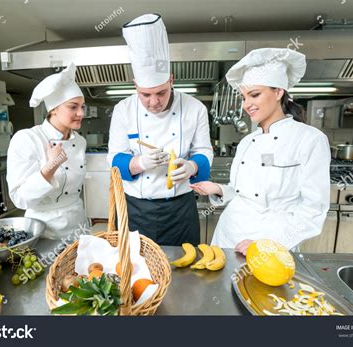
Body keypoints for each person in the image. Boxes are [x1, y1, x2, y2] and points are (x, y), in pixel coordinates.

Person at [191, 48, 330, 254]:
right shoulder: (248, 141)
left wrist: (268, 244)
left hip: (271, 243)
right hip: (228, 236)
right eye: (244, 97)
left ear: (278, 92)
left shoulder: (310, 139)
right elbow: (242, 192)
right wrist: (219, 190)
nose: (247, 104)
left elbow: (314, 209)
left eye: (254, 95)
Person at [107, 14, 213, 246]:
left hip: (181, 208)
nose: (154, 102)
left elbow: (205, 151)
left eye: (161, 93)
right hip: (134, 208)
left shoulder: (195, 108)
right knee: (135, 271)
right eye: (145, 94)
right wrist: (140, 163)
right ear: (135, 85)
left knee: (184, 273)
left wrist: (192, 166)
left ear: (171, 80)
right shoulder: (123, 109)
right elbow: (114, 159)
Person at [7, 63, 87, 239]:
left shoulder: (80, 141)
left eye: (82, 106)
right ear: (53, 110)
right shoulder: (27, 139)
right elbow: (20, 199)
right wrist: (51, 165)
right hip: (44, 230)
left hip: (78, 224)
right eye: (73, 107)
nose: (81, 113)